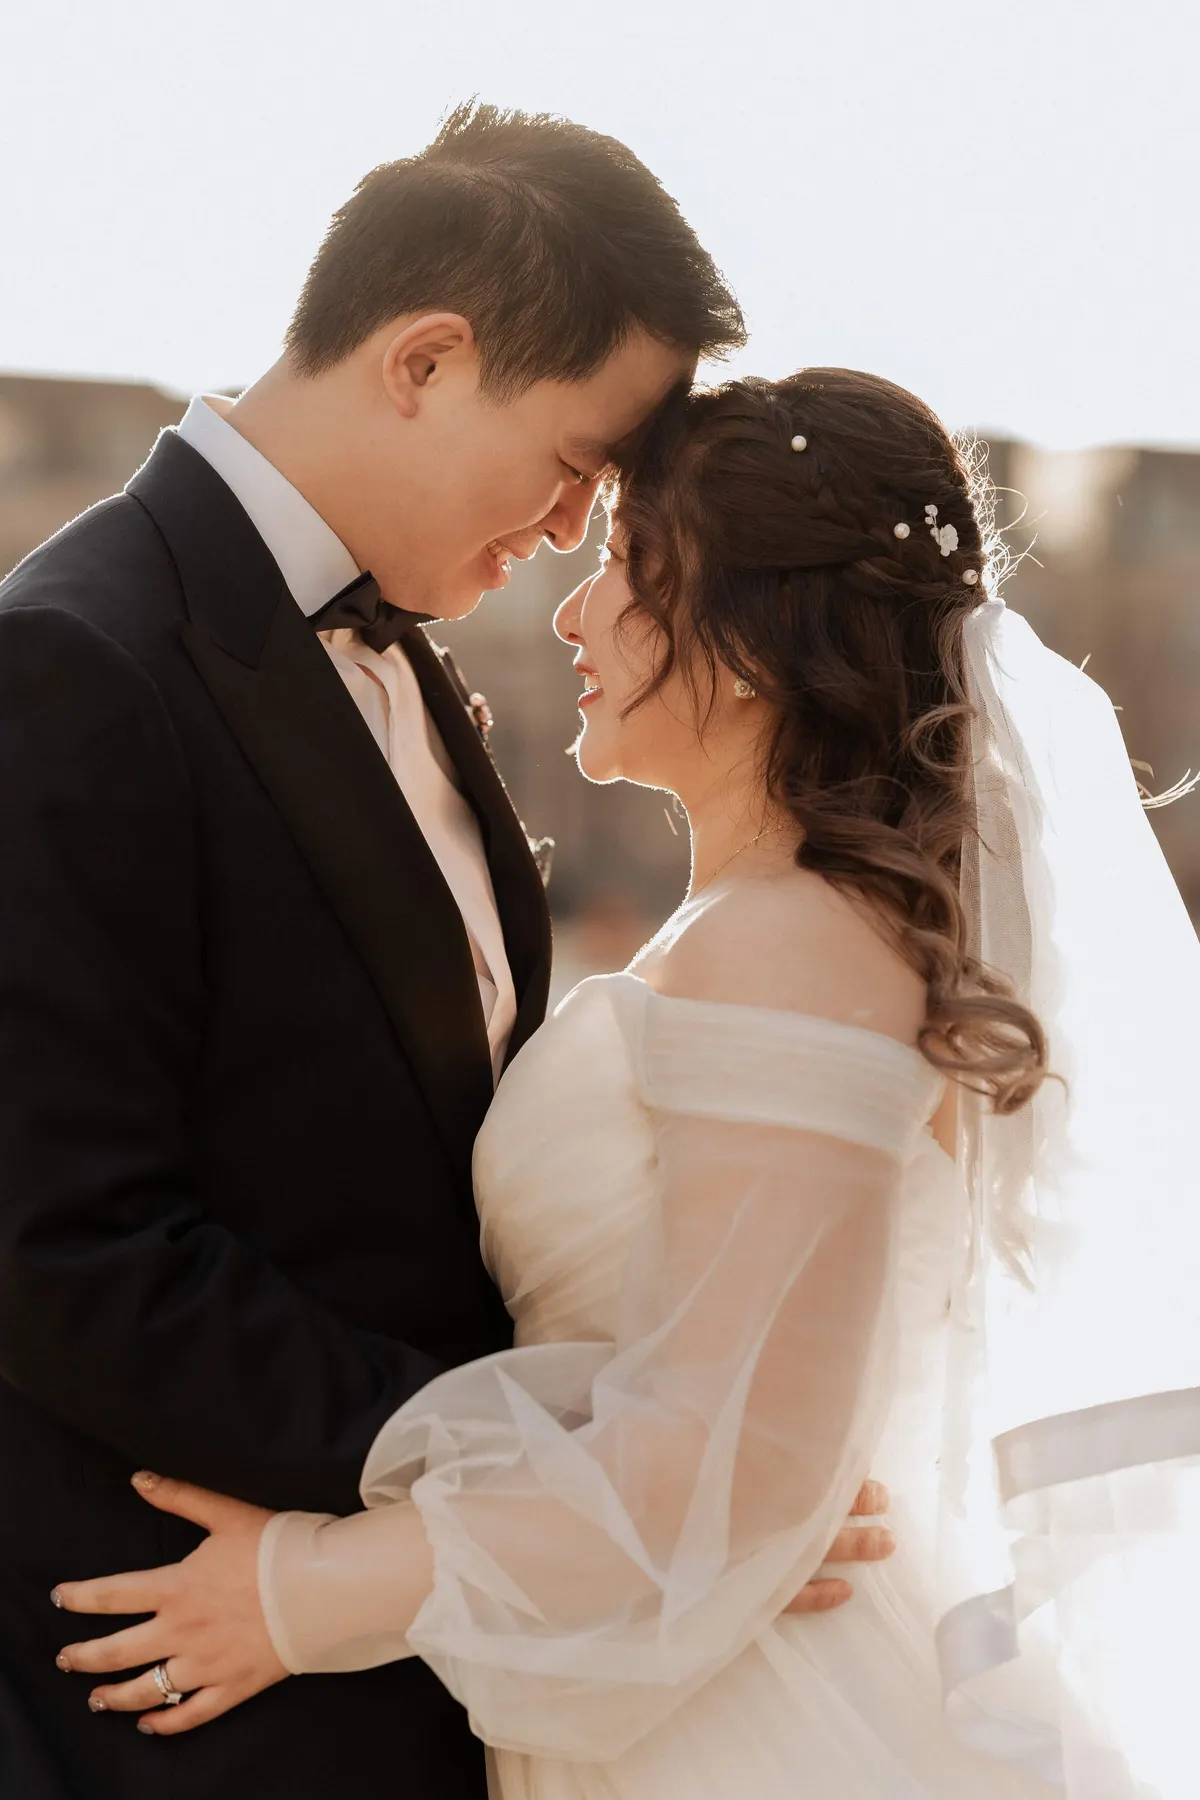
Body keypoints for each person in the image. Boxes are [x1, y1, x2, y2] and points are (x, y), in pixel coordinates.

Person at [51, 368, 1200, 1796]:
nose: (575, 612)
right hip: (656, 1663)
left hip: (760, 1719)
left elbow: (729, 1469)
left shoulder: (795, 942)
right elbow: (721, 1428)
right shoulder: (747, 927)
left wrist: (299, 1596)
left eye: (627, 571)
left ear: (757, 638)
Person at [0, 113, 895, 1800]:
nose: (572, 532)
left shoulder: (404, 668)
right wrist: (594, 1466)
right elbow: (61, 1250)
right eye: (572, 465)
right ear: (427, 360)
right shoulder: (72, 667)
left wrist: (678, 1475)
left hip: (457, 1666)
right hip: (194, 1688)